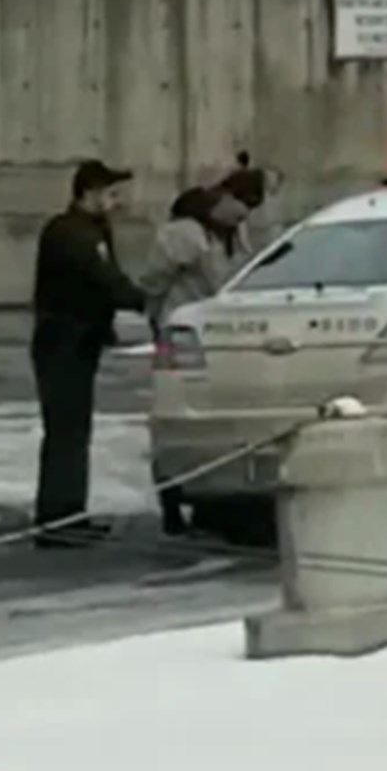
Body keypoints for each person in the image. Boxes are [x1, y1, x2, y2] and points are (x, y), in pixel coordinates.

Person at [30, 159, 144, 548]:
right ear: (89, 193)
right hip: (63, 342)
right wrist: (144, 300)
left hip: (77, 341)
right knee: (66, 431)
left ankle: (69, 513)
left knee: (74, 431)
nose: (116, 202)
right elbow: (104, 279)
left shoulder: (89, 230)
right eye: (111, 194)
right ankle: (58, 519)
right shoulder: (71, 233)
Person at [138, 184, 253, 535]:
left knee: (202, 421)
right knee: (187, 422)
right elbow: (155, 282)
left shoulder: (228, 235)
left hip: (206, 333)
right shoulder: (193, 235)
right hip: (200, 333)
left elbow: (154, 282)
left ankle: (200, 503)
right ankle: (180, 503)